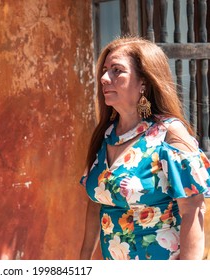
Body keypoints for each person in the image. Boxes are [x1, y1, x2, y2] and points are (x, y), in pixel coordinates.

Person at [79, 36, 209, 260]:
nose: (104, 78)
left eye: (116, 70)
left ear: (144, 83)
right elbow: (95, 204)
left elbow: (192, 211)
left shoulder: (168, 134)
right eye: (104, 70)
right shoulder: (106, 136)